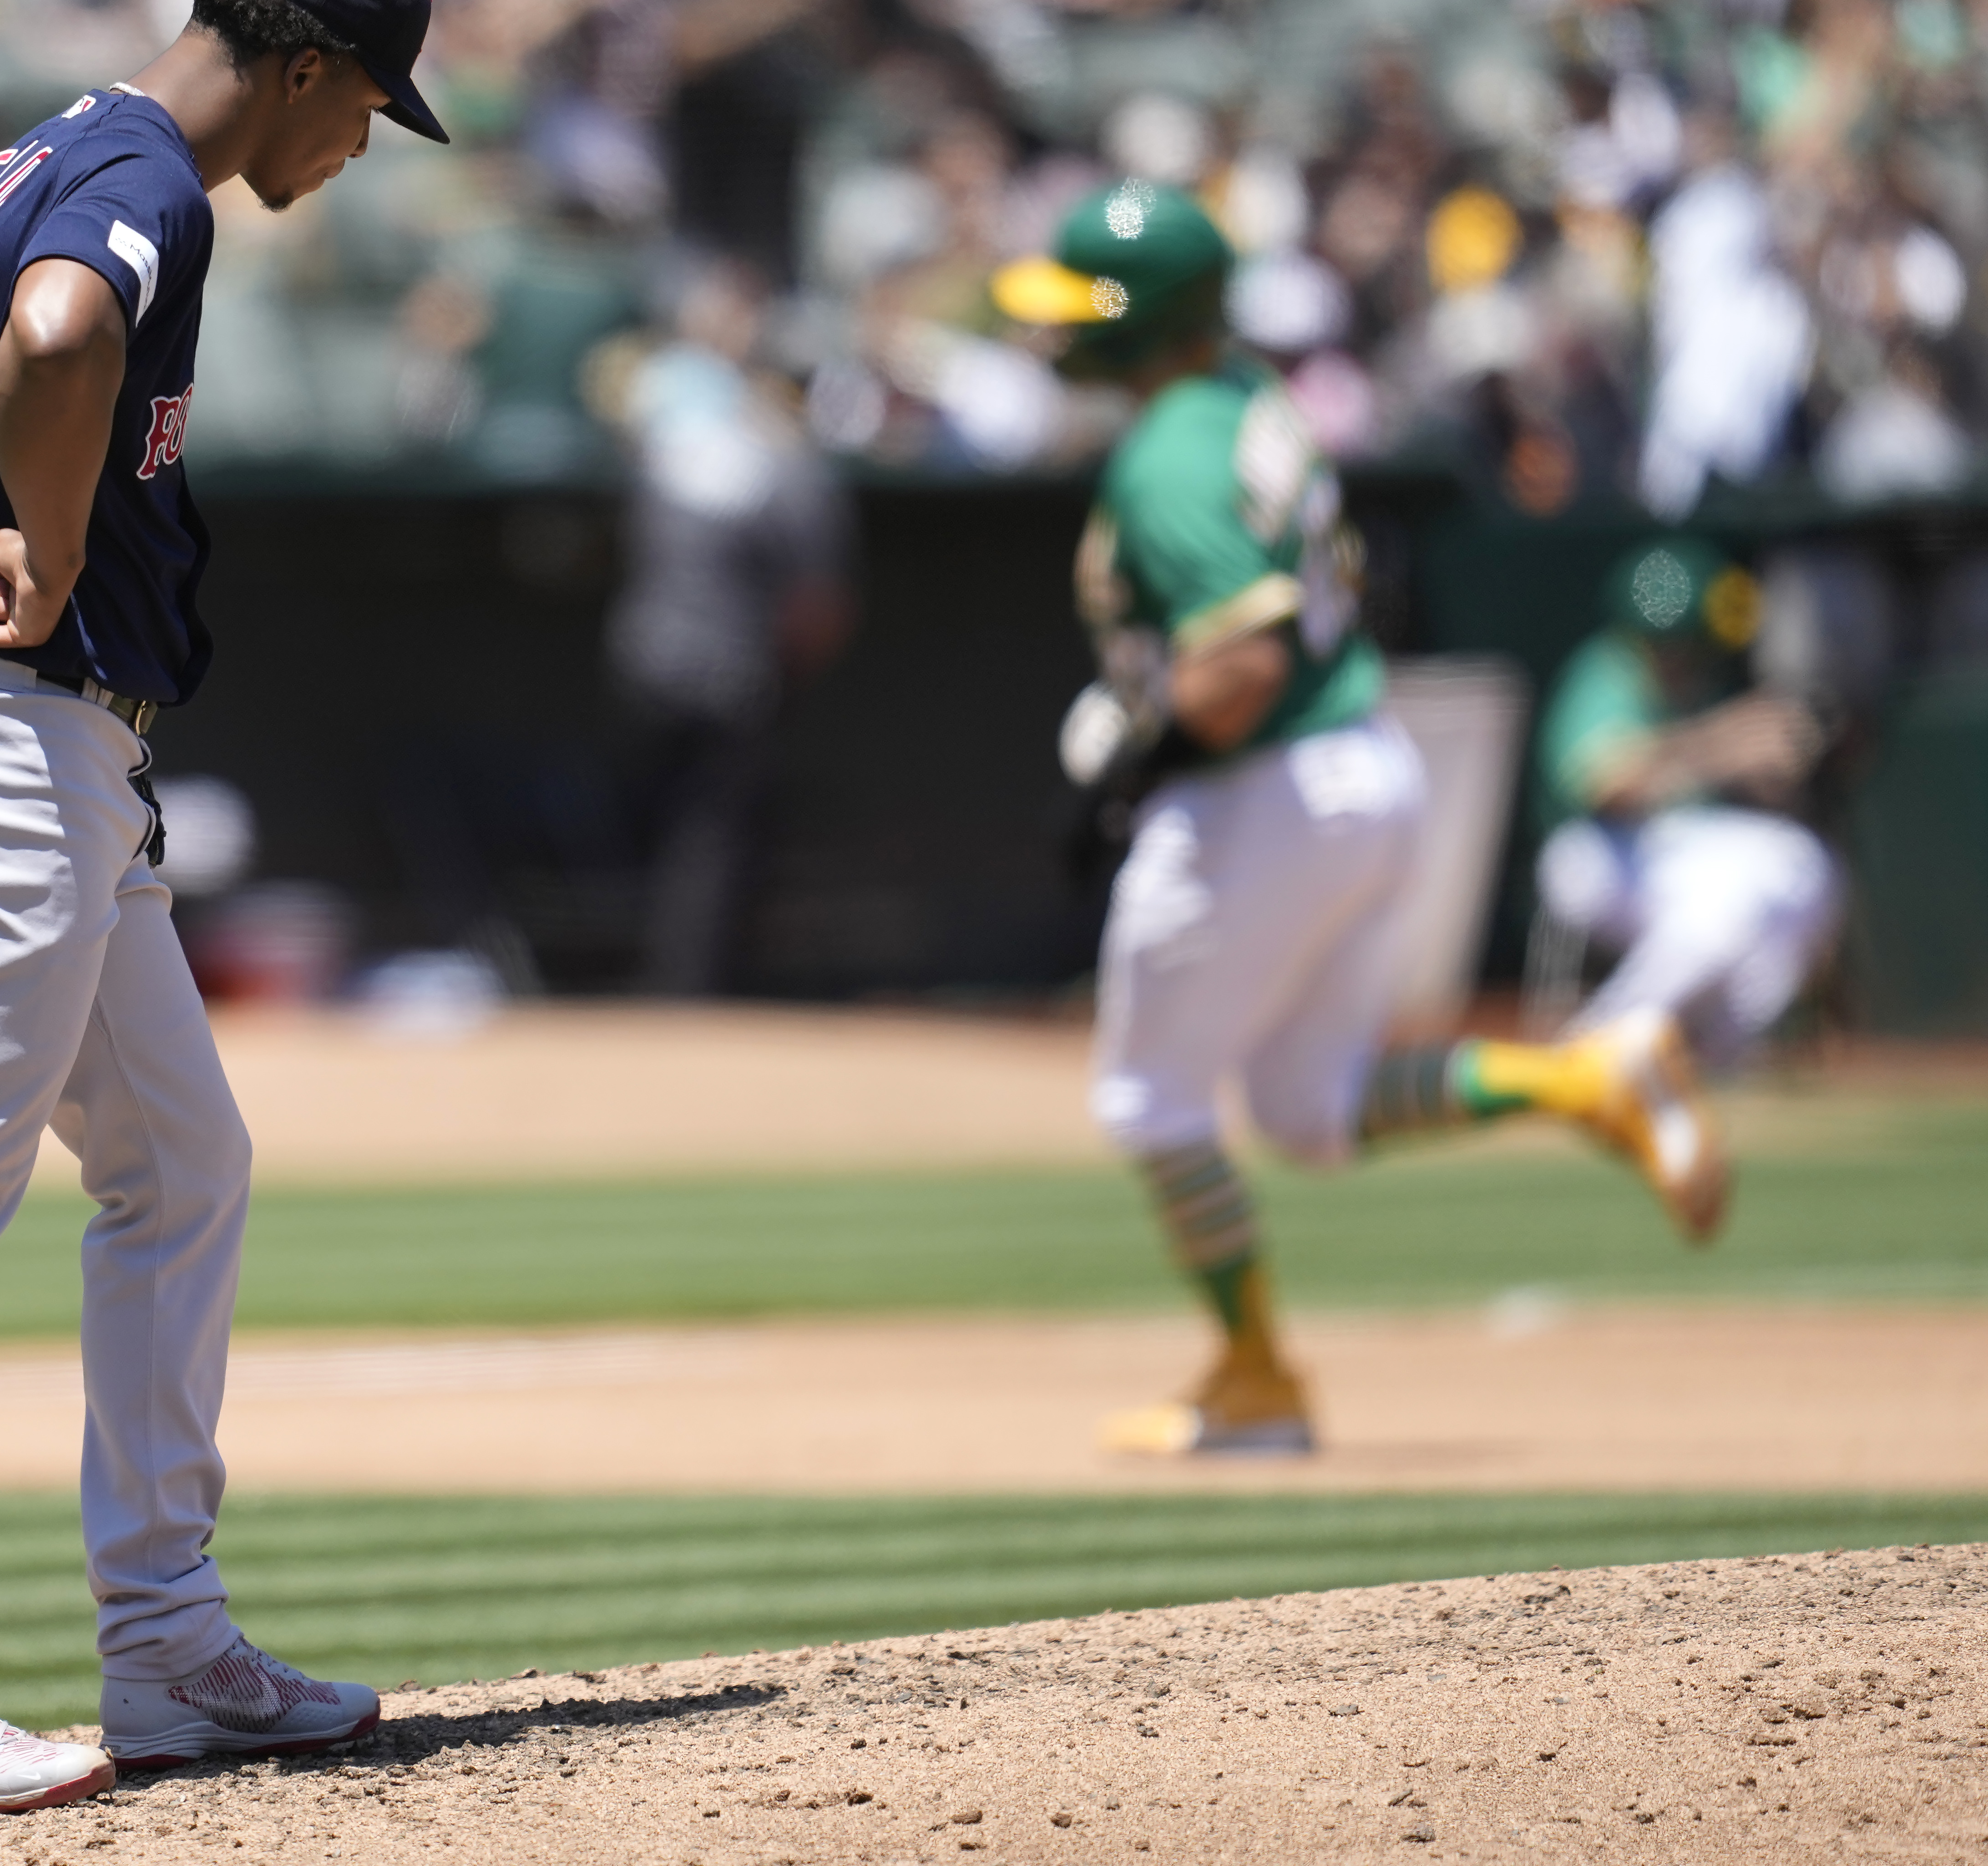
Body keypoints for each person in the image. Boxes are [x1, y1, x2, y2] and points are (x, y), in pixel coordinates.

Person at [0, 0, 448, 1824]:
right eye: (366, 111)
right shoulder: (148, 176)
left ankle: (168, 1652)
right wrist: (60, 550)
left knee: (183, 1167)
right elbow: (60, 331)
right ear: (307, 69)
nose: (355, 152)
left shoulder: (64, 140)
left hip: (43, 745)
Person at [995, 179, 1733, 1459]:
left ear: (1142, 317)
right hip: (1363, 771)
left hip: (1263, 788)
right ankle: (1587, 1075)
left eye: (1083, 307)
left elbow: (1244, 665)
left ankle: (1256, 1375)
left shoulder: (1169, 445)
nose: (1055, 331)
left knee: (1149, 1097)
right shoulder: (1247, 401)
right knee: (1305, 1108)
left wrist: (1132, 761)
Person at [604, 259, 852, 994]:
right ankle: (686, 986)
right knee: (708, 834)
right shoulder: (774, 456)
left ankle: (669, 979)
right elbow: (819, 604)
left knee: (671, 823)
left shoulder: (664, 443)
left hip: (645, 658)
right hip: (724, 670)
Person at [1532, 538, 1836, 1069]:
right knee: (1716, 918)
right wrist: (1720, 744)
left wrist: (1770, 763)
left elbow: (1740, 779)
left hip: (1674, 849)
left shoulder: (1702, 679)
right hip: (1591, 853)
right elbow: (1608, 788)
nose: (1691, 657)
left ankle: (1722, 1047)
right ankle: (1594, 1048)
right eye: (1683, 644)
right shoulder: (1607, 671)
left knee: (1803, 869)